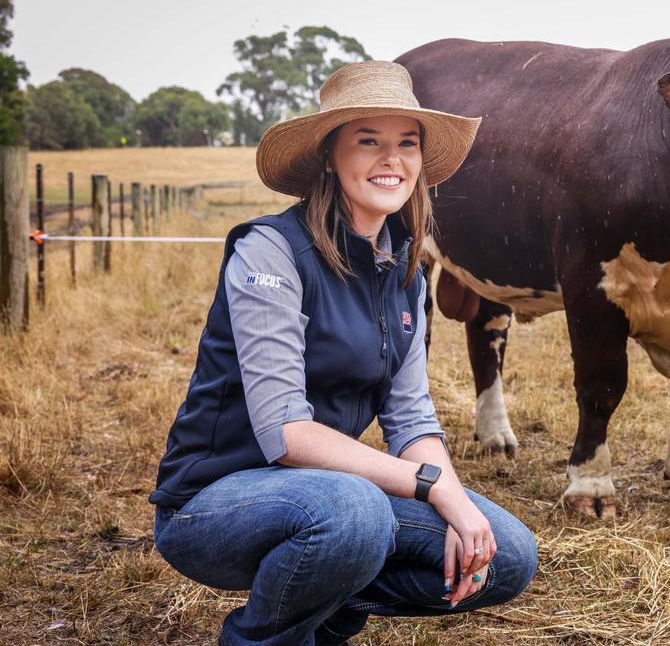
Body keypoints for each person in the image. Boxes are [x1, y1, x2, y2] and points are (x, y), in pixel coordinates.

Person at [149, 61, 537, 645]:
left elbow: (410, 417)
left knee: (505, 554)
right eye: (369, 141)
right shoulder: (269, 252)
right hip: (215, 501)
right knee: (356, 513)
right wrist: (431, 488)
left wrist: (454, 496)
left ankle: (324, 610)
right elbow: (288, 434)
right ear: (331, 155)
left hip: (328, 496)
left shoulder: (405, 273)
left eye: (407, 143)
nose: (392, 159)